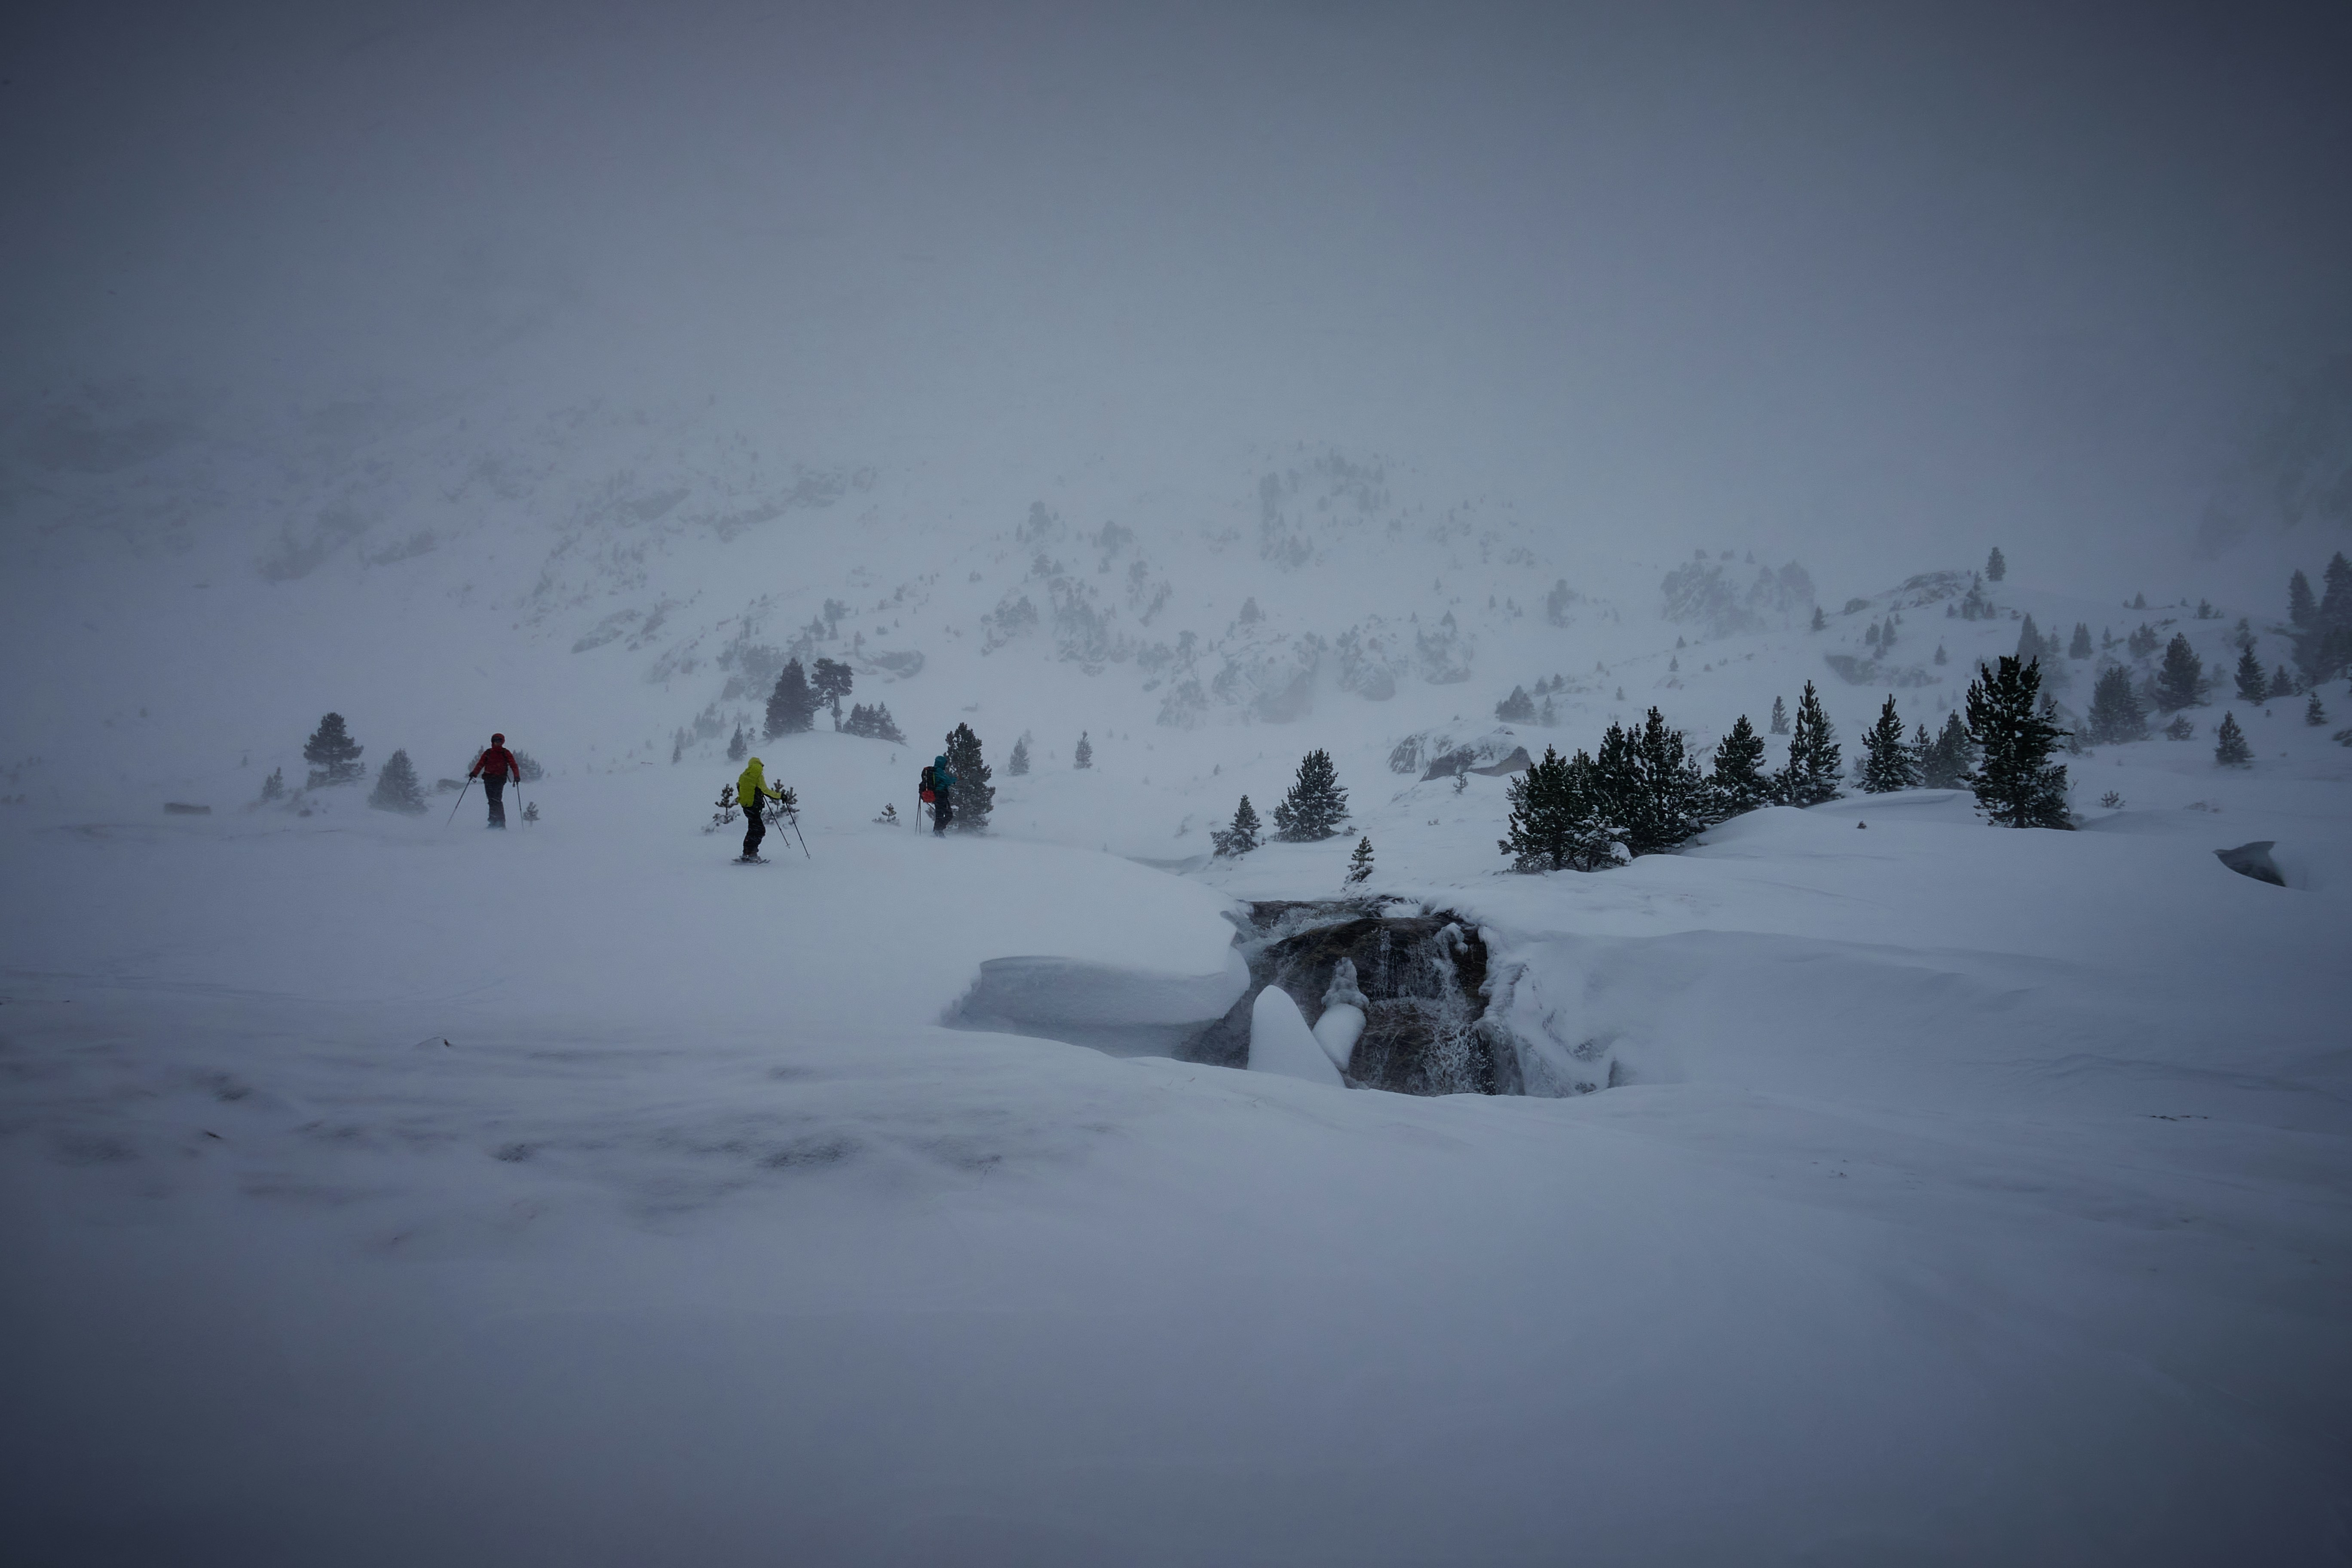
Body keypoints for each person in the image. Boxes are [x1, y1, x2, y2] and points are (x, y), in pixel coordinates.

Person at [735, 755, 788, 862]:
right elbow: (765, 790)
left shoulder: (744, 776)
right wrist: (781, 796)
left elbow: (740, 789)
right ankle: (752, 854)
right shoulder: (758, 775)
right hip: (755, 807)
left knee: (753, 829)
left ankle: (746, 853)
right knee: (760, 831)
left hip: (746, 807)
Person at [468, 732, 522, 829]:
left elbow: (514, 765)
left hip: (500, 779)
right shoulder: (488, 753)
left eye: (499, 741)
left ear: (502, 742)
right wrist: (474, 773)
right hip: (488, 779)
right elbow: (481, 764)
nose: (497, 743)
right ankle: (494, 822)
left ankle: (499, 823)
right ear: (493, 742)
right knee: (491, 801)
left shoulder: (505, 753)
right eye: (496, 741)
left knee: (496, 800)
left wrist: (517, 776)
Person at [928, 752, 956, 835]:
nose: (946, 766)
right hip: (941, 795)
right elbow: (947, 781)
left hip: (936, 795)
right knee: (949, 815)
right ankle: (938, 831)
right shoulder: (939, 771)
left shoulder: (934, 771)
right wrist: (955, 779)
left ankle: (937, 832)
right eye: (945, 764)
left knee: (939, 814)